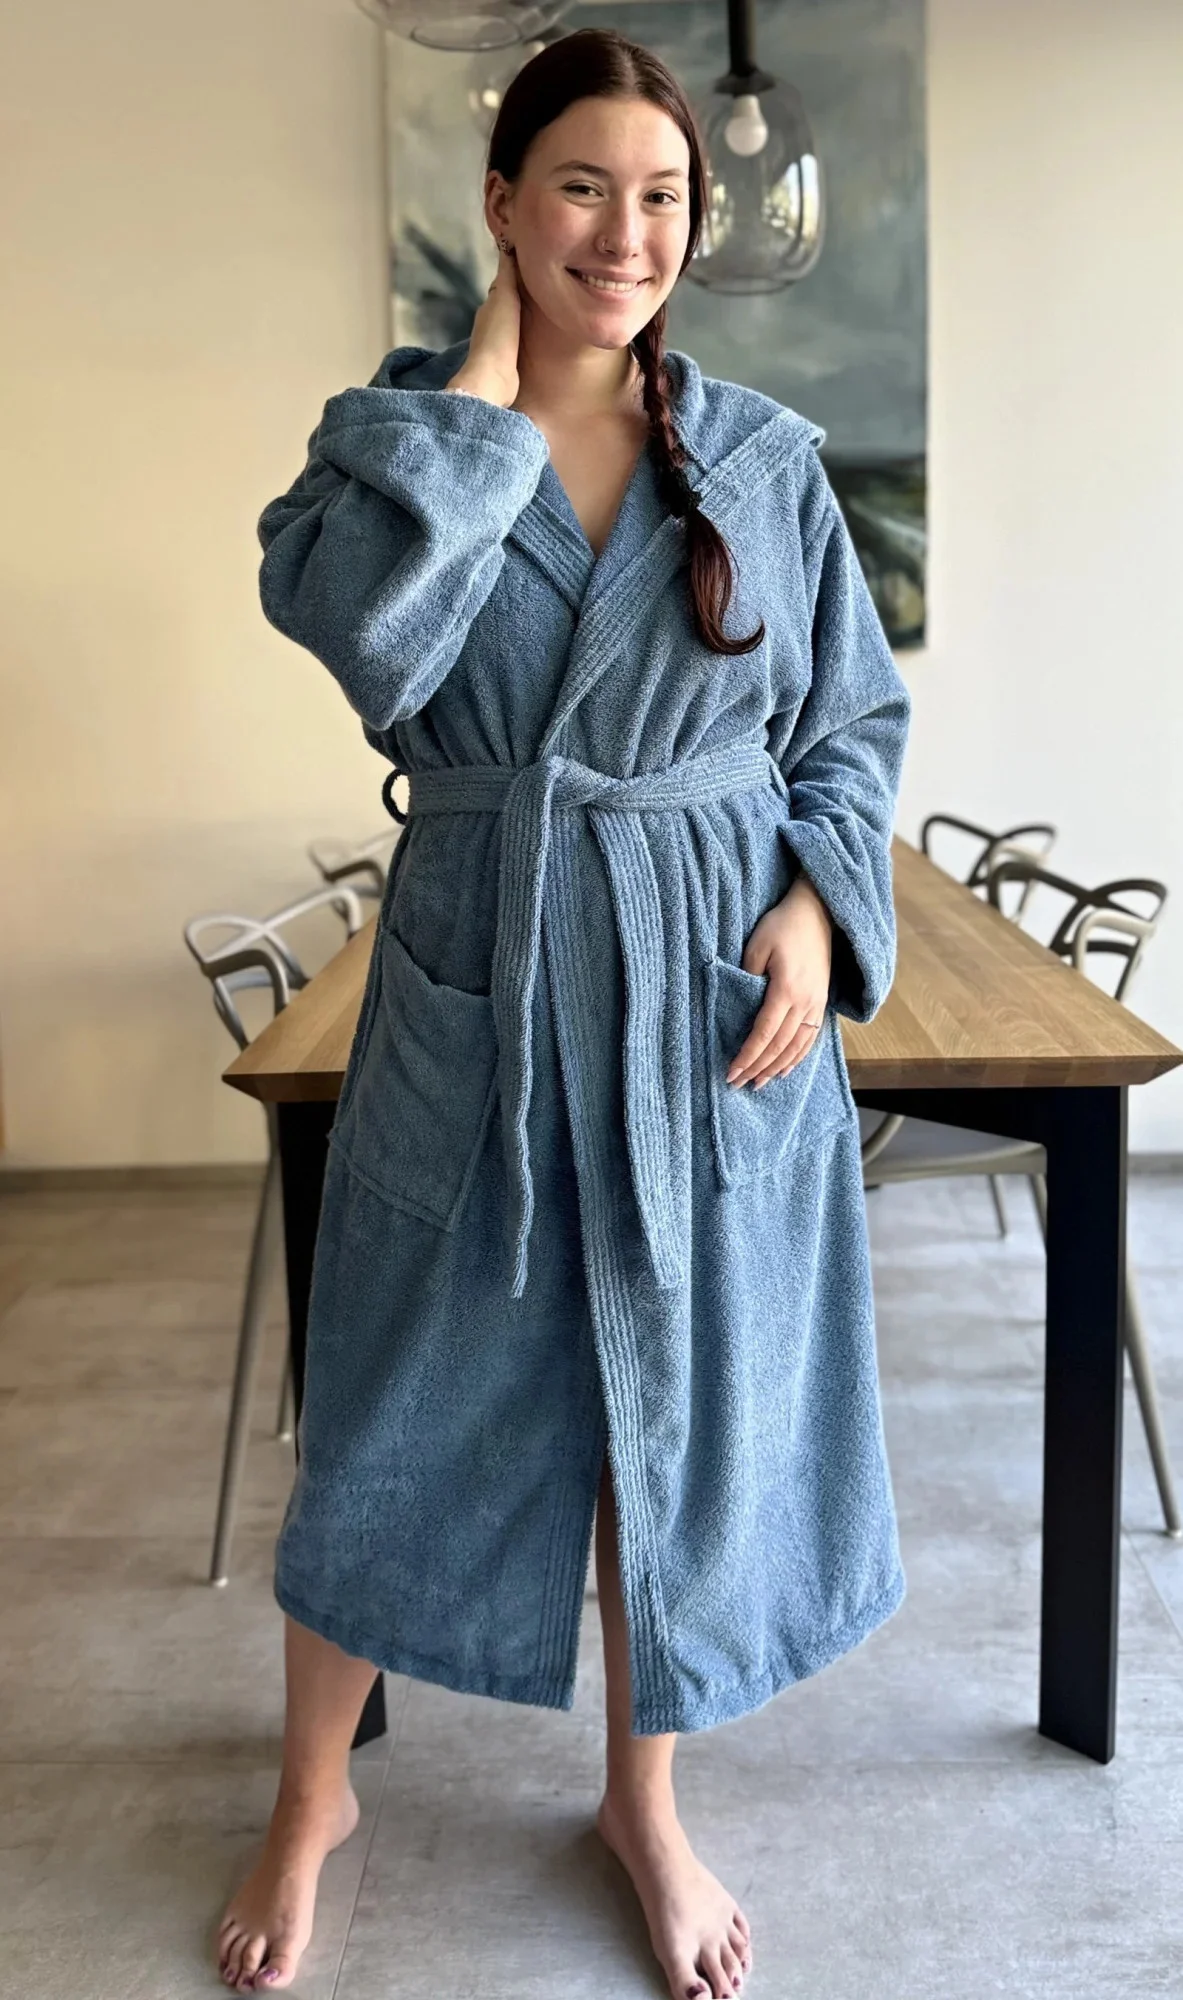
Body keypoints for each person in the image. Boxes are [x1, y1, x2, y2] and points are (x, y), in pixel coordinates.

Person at [217, 26, 911, 2000]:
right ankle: (310, 1793)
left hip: (705, 987)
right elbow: (364, 640)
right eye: (583, 188)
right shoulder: (391, 447)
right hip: (487, 966)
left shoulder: (760, 460)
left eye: (663, 195)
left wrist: (813, 908)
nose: (627, 232)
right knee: (389, 1393)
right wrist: (478, 401)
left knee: (660, 1409)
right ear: (506, 206)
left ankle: (643, 1802)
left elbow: (849, 724)